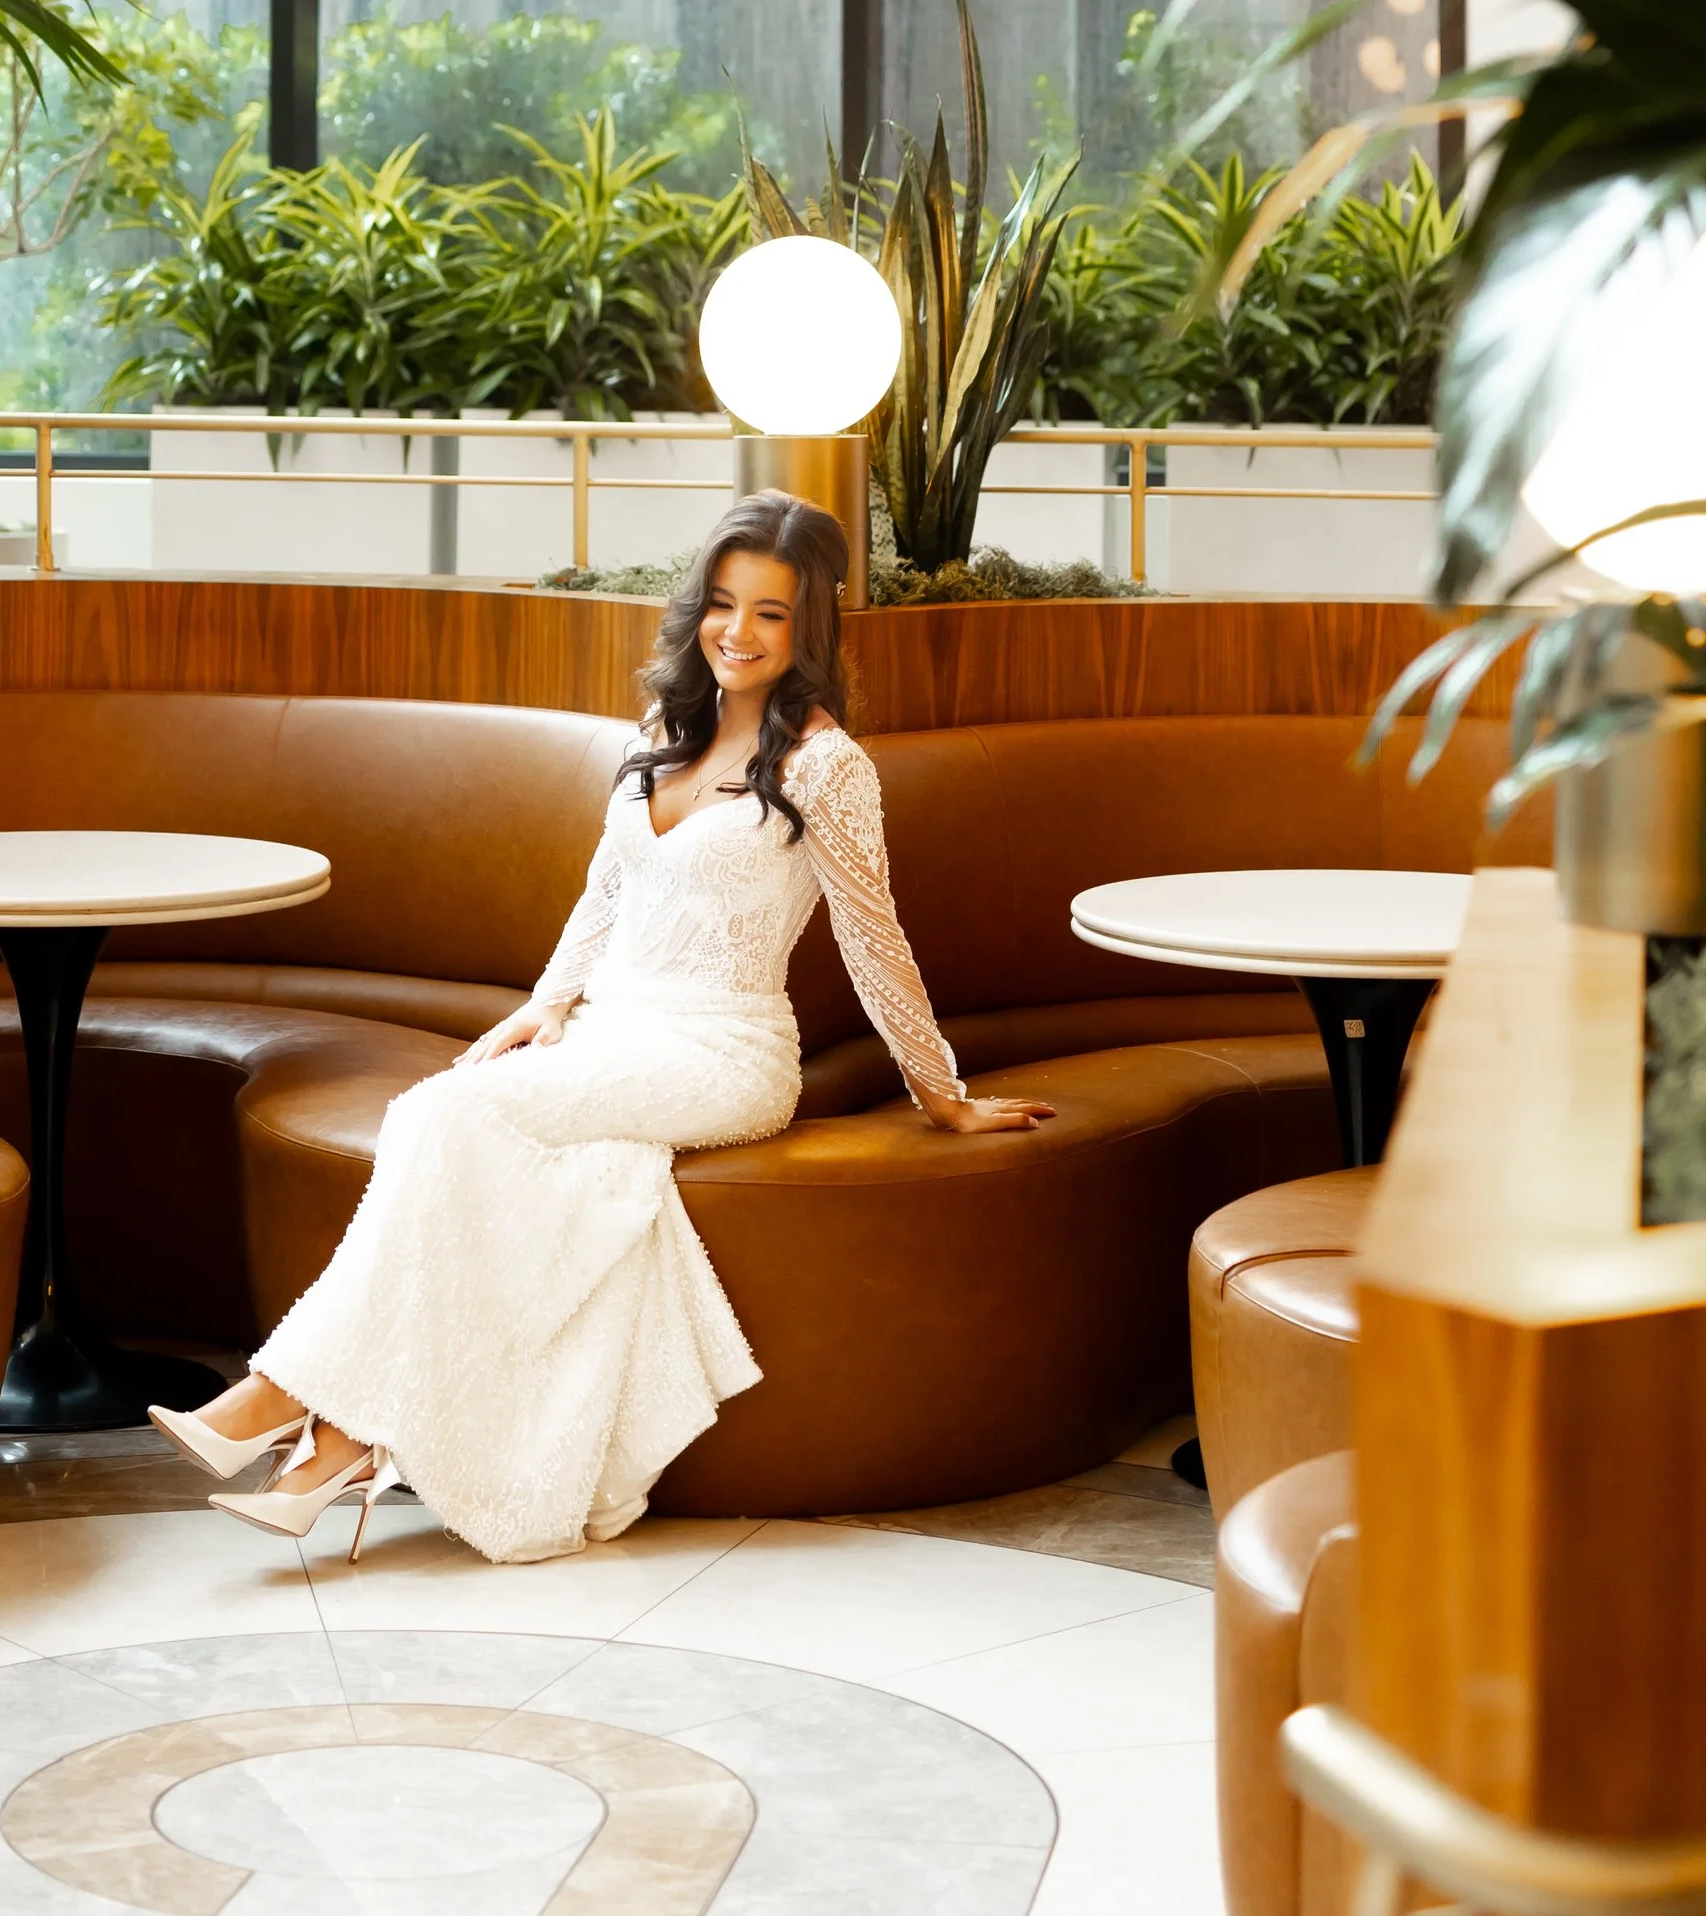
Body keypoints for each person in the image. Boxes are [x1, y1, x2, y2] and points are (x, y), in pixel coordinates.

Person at [149, 488, 1053, 1563]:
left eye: (772, 612)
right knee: (458, 1124)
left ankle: (278, 1394)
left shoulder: (827, 766)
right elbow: (606, 893)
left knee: (441, 1116)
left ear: (812, 626)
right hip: (611, 1031)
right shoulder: (665, 729)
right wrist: (545, 1004)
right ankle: (338, 1442)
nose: (740, 632)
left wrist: (938, 1093)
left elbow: (874, 937)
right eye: (724, 603)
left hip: (722, 1051)